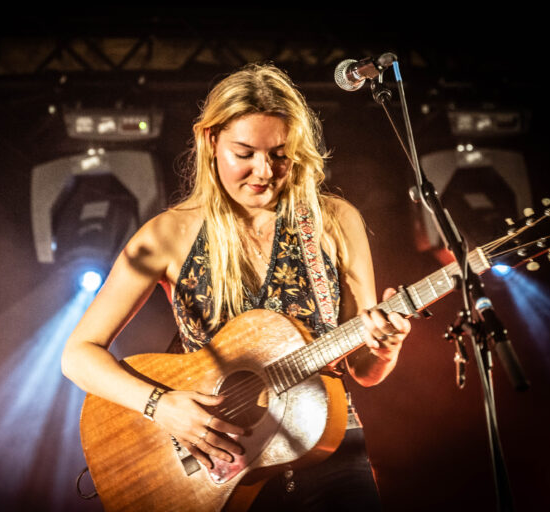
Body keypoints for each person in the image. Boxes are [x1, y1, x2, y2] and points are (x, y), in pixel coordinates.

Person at [61, 63, 411, 510]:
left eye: (280, 154)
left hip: (329, 446)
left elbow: (365, 372)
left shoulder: (334, 222)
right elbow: (78, 354)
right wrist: (161, 405)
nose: (263, 171)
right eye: (244, 153)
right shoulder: (167, 235)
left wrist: (384, 347)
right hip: (221, 463)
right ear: (210, 141)